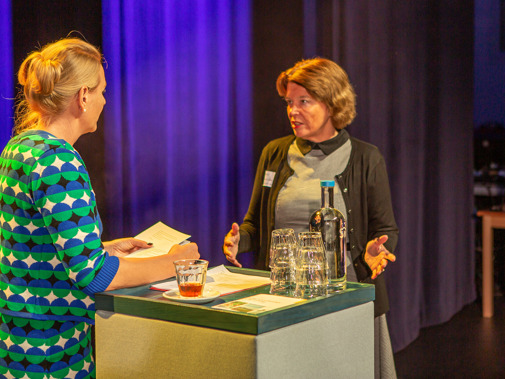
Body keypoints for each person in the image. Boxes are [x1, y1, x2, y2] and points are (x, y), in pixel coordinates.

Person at [0, 38, 199, 378]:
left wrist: (105, 247)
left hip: (20, 338)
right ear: (83, 96)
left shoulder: (20, 146)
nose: (105, 101)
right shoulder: (58, 159)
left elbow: (31, 242)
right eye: (102, 91)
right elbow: (93, 276)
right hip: (52, 347)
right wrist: (177, 262)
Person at [223, 57, 398, 378]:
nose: (293, 110)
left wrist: (376, 250)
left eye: (304, 101)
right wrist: (238, 240)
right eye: (289, 102)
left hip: (345, 299)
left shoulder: (366, 157)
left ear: (332, 104)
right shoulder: (274, 153)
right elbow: (254, 226)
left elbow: (386, 230)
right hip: (283, 302)